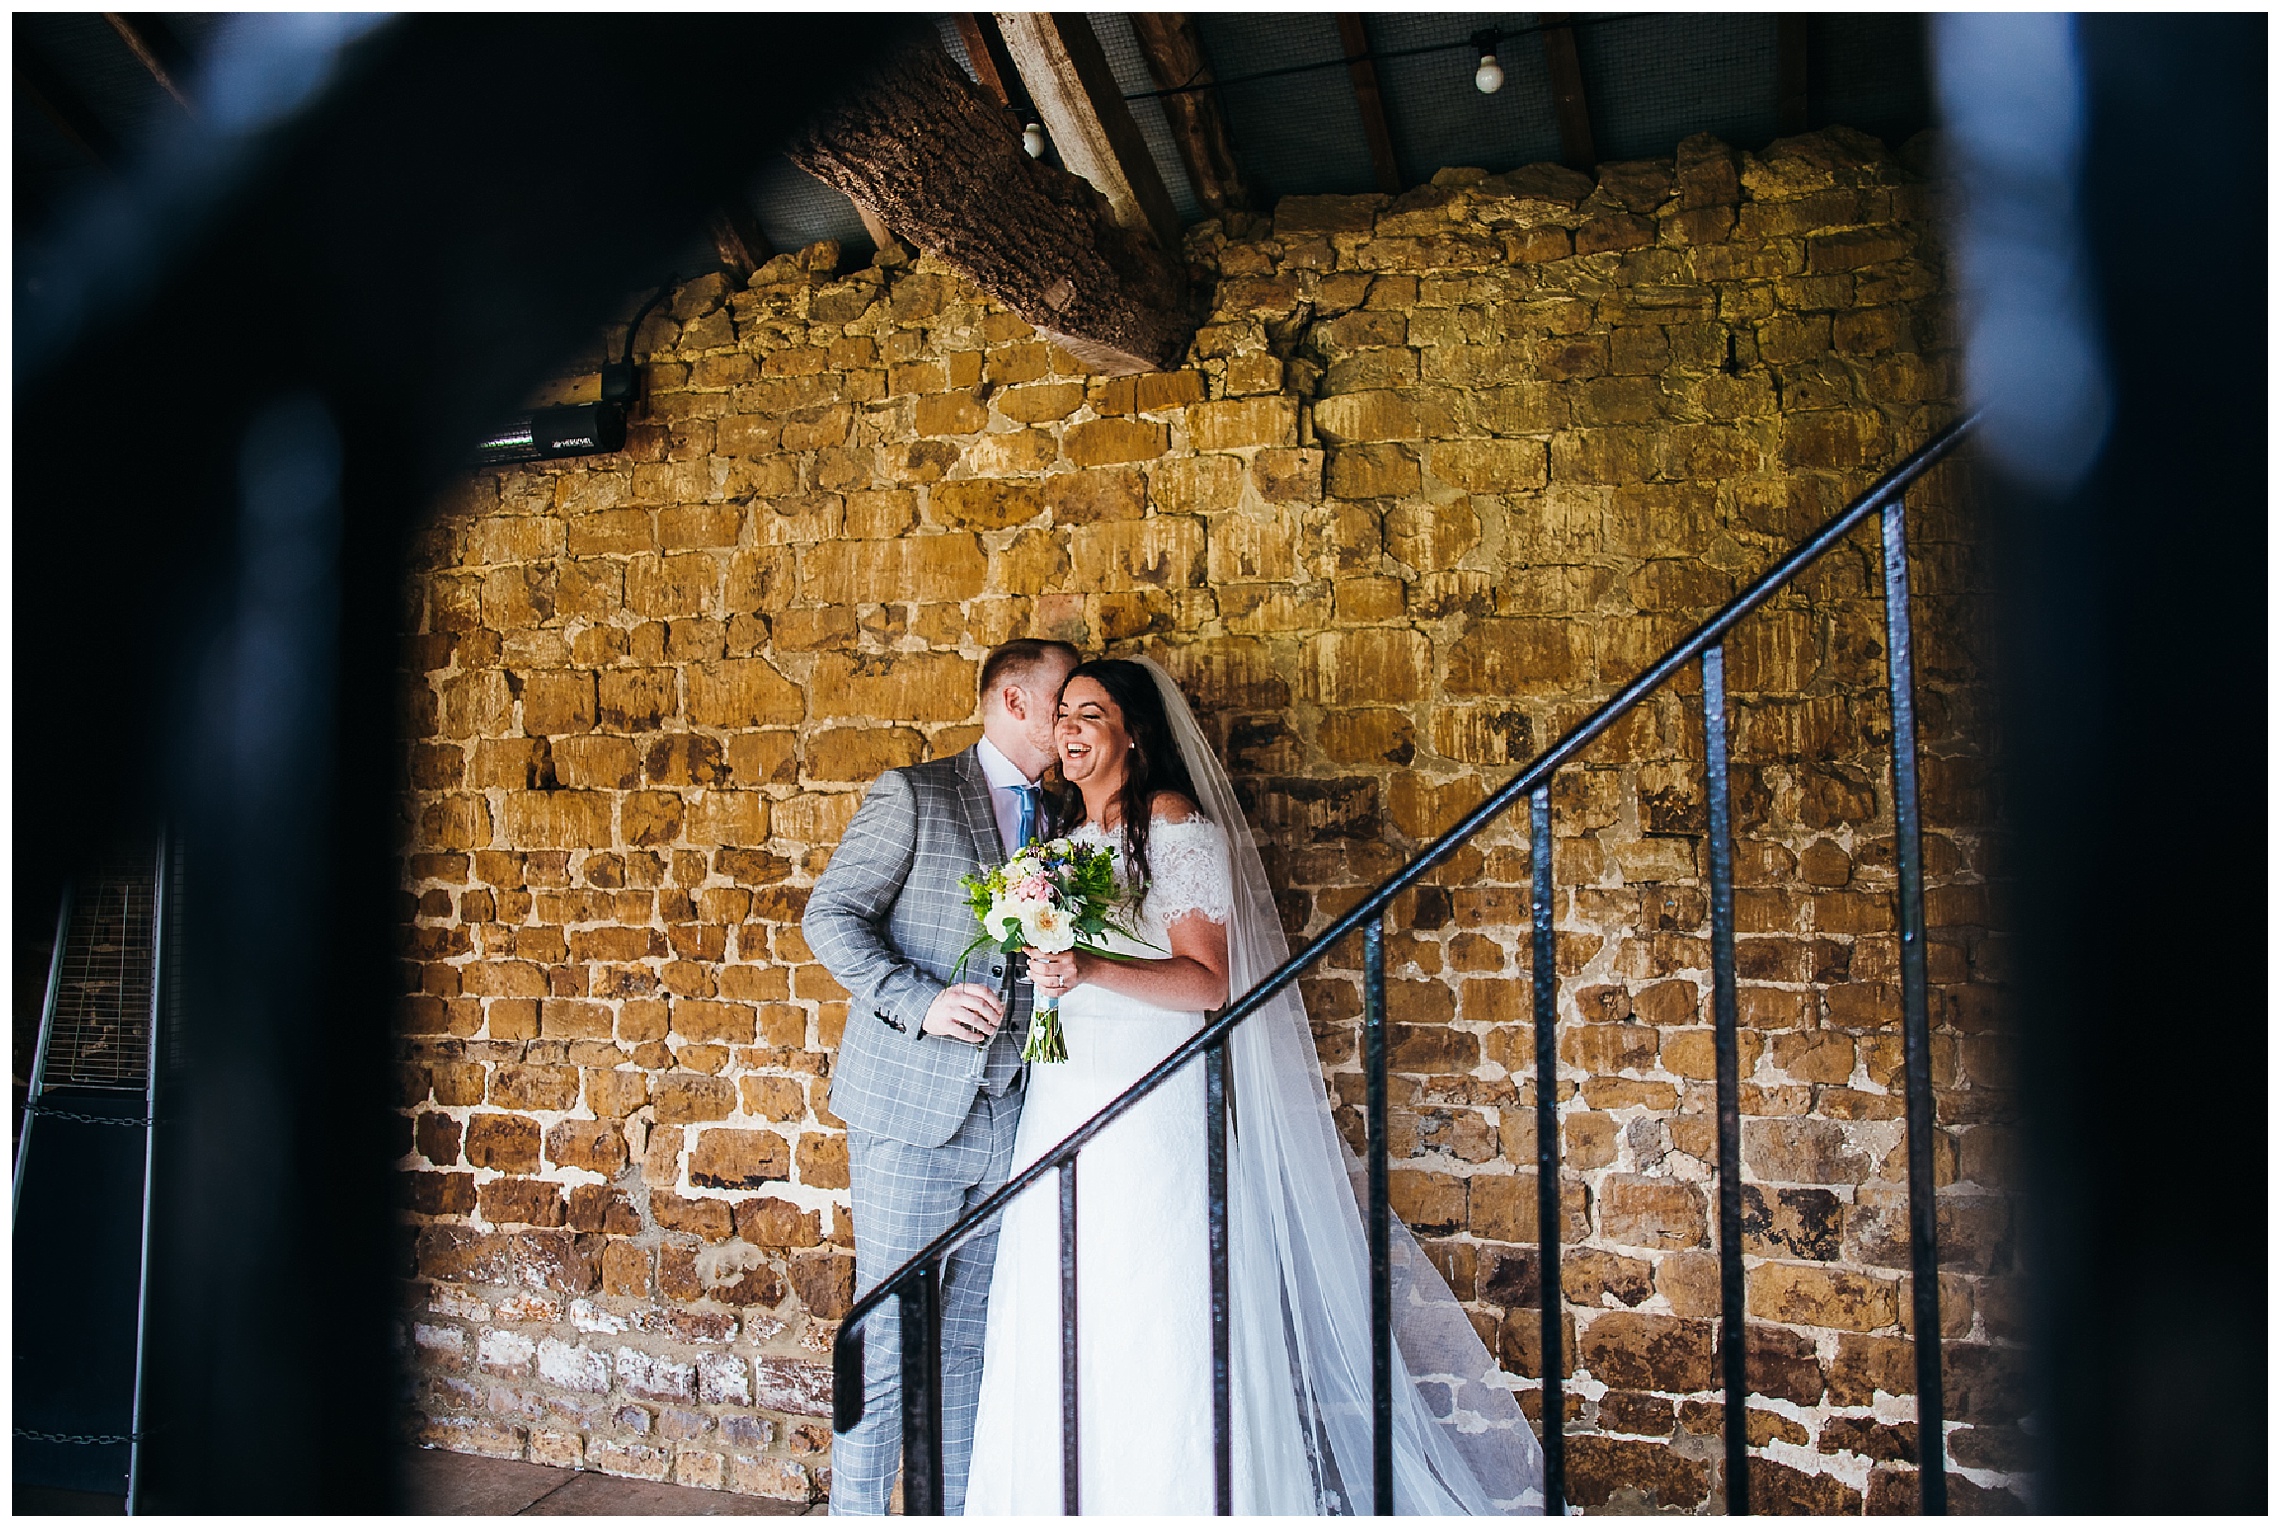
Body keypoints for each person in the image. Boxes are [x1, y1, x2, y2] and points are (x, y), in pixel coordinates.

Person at [963, 657, 1547, 1515]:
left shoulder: (1173, 824)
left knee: (1154, 1302)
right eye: (1064, 715)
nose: (1071, 730)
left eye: (1093, 713)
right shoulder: (1055, 840)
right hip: (1063, 1093)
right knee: (1064, 1305)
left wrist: (1087, 965)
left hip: (1150, 1099)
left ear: (1135, 732)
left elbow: (1210, 981)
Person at [802, 637, 1080, 1517]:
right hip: (912, 1109)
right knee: (885, 1343)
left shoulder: (1065, 820)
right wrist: (918, 1002)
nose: (1073, 713)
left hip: (1011, 1112)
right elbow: (830, 916)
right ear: (1011, 699)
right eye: (1060, 695)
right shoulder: (916, 795)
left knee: (967, 1345)